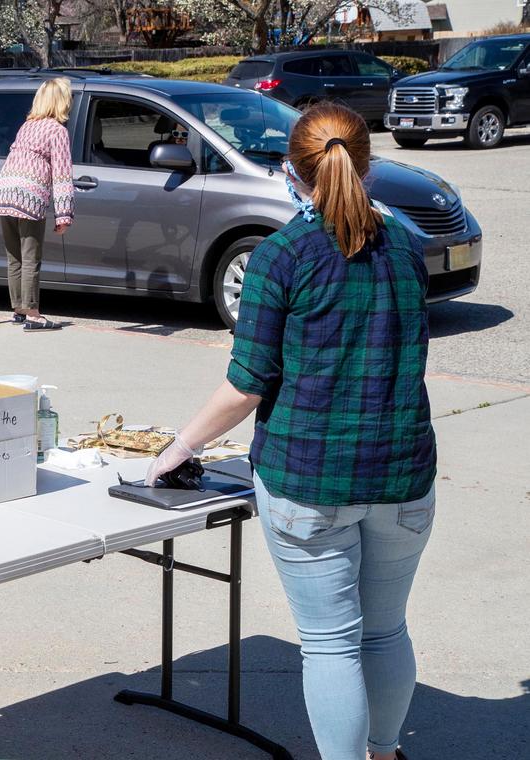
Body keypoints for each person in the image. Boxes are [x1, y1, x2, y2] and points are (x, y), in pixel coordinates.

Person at [147, 103, 435, 760]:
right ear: (368, 164)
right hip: (402, 476)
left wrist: (179, 448)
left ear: (290, 172)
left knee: (333, 642)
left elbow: (247, 385)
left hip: (310, 481)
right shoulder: (410, 250)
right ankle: (385, 752)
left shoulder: (282, 256)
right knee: (385, 632)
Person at [0, 77, 75, 331]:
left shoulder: (28, 125)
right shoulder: (58, 131)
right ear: (62, 102)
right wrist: (64, 214)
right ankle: (34, 314)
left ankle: (19, 309)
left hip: (5, 190)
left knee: (14, 256)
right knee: (30, 257)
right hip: (29, 194)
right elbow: (61, 174)